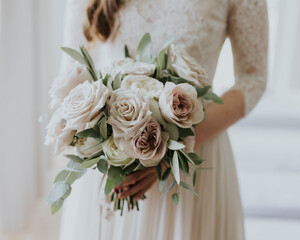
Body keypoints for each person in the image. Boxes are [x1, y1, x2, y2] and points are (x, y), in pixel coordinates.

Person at [58, 0, 268, 239]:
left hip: (193, 154)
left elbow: (253, 79)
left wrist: (171, 152)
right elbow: (72, 74)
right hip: (110, 161)